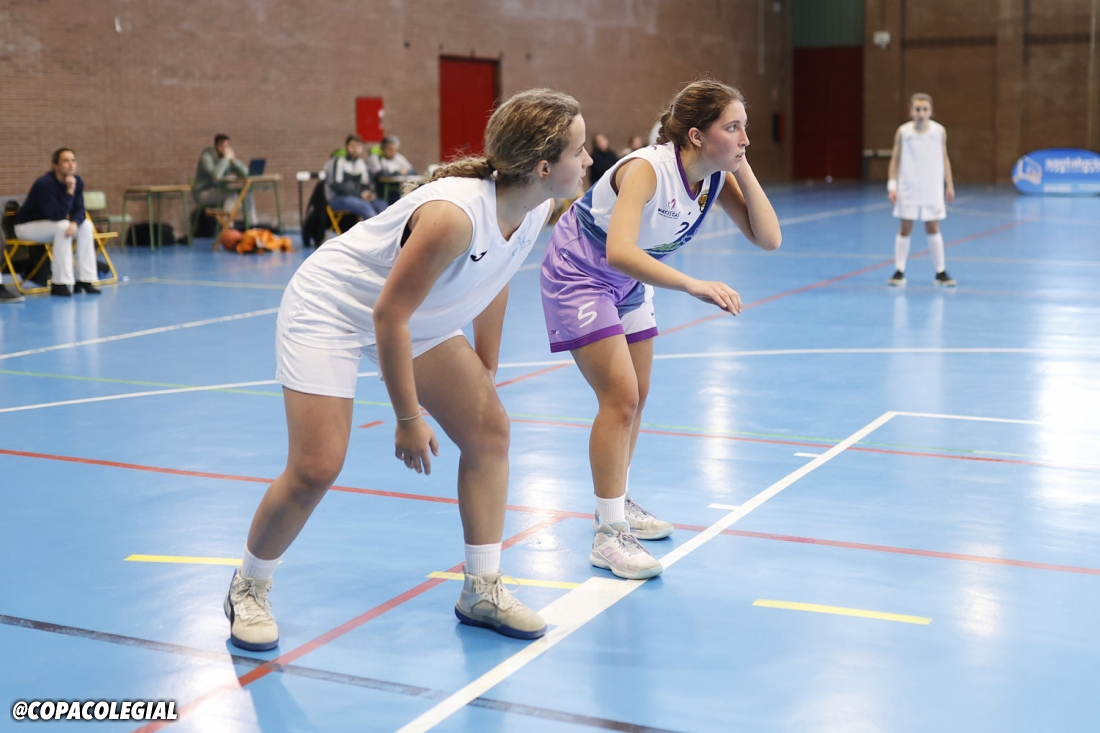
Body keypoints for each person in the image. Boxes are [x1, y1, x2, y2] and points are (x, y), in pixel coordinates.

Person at [223, 89, 592, 650]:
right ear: (543, 167)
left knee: (489, 433)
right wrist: (407, 417)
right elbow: (388, 316)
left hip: (417, 314)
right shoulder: (453, 216)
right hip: (334, 307)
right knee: (317, 465)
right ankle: (248, 586)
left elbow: (496, 275)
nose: (588, 160)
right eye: (579, 150)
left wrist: (486, 364)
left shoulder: (536, 205)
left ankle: (481, 589)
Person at [540, 79, 781, 580]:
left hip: (629, 280)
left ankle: (618, 500)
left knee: (639, 395)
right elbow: (619, 250)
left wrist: (741, 163)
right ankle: (609, 534)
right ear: (696, 135)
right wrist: (692, 284)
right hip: (582, 270)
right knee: (620, 397)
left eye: (745, 128)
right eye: (733, 128)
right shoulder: (647, 169)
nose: (745, 138)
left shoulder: (715, 178)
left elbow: (769, 238)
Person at [887, 93, 956, 287]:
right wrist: (892, 186)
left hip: (932, 188)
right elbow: (895, 159)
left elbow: (944, 158)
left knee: (933, 227)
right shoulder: (903, 132)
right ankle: (899, 271)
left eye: (925, 109)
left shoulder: (939, 131)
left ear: (931, 111)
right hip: (908, 187)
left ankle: (940, 272)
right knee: (905, 228)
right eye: (917, 109)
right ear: (911, 111)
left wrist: (949, 184)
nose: (921, 113)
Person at [14, 148, 101, 297]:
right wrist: (69, 191)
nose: (71, 164)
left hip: (54, 224)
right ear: (55, 165)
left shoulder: (77, 181)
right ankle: (60, 283)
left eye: (73, 160)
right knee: (63, 227)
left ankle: (85, 279)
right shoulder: (44, 184)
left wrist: (75, 222)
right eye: (66, 161)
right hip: (27, 226)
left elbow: (80, 209)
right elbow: (56, 214)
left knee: (86, 226)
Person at [192, 134, 256, 225]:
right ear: (218, 146)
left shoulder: (225, 158)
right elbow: (216, 175)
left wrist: (234, 161)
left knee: (246, 194)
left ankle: (253, 225)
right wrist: (225, 159)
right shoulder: (207, 156)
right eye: (224, 146)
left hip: (220, 192)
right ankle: (227, 226)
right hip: (204, 193)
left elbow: (246, 174)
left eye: (227, 146)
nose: (226, 149)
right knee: (232, 195)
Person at [324, 134, 386, 220]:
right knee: (365, 207)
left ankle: (385, 228)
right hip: (337, 198)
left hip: (358, 197)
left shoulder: (361, 163)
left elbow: (365, 184)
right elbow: (337, 186)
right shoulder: (339, 161)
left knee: (382, 205)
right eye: (352, 146)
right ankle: (376, 228)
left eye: (358, 146)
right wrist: (359, 194)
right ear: (346, 147)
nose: (355, 149)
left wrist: (368, 194)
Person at [368, 135, 419, 205]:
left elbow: (413, 171)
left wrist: (406, 172)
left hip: (395, 192)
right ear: (383, 149)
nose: (393, 152)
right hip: (378, 194)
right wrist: (398, 172)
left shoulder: (397, 157)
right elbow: (381, 174)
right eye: (390, 150)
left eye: (395, 150)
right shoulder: (375, 158)